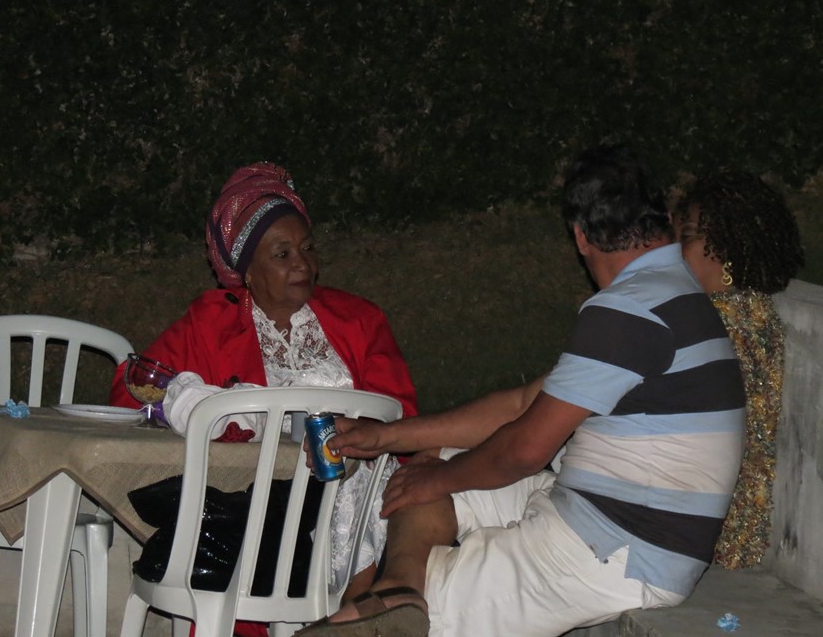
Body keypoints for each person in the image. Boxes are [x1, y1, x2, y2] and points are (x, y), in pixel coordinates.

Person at [297, 146, 747, 637]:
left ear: (580, 235)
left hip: (621, 550)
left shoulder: (631, 309)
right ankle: (400, 592)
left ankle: (401, 605)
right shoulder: (668, 292)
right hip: (595, 510)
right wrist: (387, 437)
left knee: (428, 514)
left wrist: (440, 481)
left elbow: (525, 450)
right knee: (426, 465)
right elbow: (521, 405)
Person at [110, 162, 418, 636]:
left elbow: (401, 414)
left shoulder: (358, 319)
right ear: (246, 272)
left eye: (308, 248)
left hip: (357, 506)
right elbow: (134, 386)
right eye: (282, 254)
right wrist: (200, 404)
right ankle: (348, 612)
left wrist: (355, 435)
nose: (303, 264)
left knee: (360, 481)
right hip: (261, 516)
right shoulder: (211, 323)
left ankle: (354, 607)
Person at [672, 171, 804, 569]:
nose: (675, 248)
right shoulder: (736, 312)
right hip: (717, 519)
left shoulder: (729, 323)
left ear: (724, 247)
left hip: (711, 524)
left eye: (688, 234)